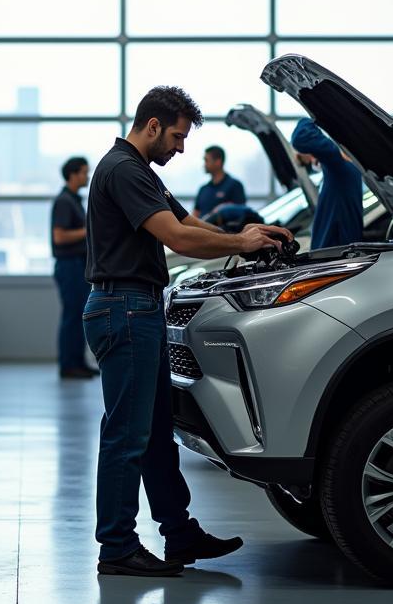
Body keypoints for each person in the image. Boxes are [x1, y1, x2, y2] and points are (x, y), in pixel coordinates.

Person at [84, 86, 292, 577]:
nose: (180, 149)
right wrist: (236, 243)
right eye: (177, 137)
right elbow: (176, 238)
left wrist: (248, 236)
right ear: (152, 126)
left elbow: (187, 220)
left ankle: (178, 533)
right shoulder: (123, 170)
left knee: (156, 434)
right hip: (124, 310)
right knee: (126, 436)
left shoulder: (141, 173)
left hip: (139, 310)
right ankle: (116, 547)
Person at [51, 156, 96, 380]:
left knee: (79, 316)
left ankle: (78, 362)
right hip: (69, 266)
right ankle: (68, 365)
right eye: (84, 172)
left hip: (78, 266)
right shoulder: (64, 201)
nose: (86, 176)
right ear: (73, 174)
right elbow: (59, 237)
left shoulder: (75, 200)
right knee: (72, 316)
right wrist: (89, 230)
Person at [291, 118, 364, 249]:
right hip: (338, 251)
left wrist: (314, 116)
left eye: (305, 156)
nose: (311, 162)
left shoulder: (338, 165)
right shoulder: (340, 168)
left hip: (335, 253)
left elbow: (300, 137)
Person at [194, 145, 246, 220]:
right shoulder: (203, 189)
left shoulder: (235, 185)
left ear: (218, 162)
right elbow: (195, 214)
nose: (204, 164)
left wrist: (222, 209)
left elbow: (241, 213)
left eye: (206, 160)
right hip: (202, 230)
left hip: (224, 231)